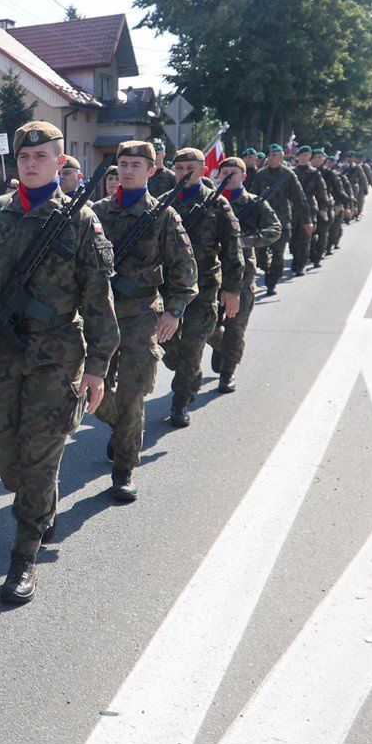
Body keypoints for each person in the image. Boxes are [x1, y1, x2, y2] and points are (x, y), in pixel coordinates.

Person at [0, 122, 117, 603]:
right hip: (0, 353)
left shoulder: (80, 219)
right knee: (5, 452)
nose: (31, 164)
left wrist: (97, 366)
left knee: (42, 453)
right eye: (25, 157)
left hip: (56, 355)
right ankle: (37, 506)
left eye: (42, 157)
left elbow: (98, 299)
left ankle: (23, 554)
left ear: (60, 161)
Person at [90, 141, 195, 502]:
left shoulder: (164, 215)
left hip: (140, 315)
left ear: (152, 171)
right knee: (88, 389)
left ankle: (124, 467)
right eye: (123, 164)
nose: (129, 170)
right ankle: (122, 426)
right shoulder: (97, 212)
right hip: (99, 315)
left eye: (137, 164)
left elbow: (183, 267)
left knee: (134, 395)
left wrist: (174, 310)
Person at [160, 148, 243, 428]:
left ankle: (180, 402)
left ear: (202, 170)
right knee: (169, 348)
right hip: (168, 287)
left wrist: (233, 288)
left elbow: (233, 247)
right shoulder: (162, 204)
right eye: (179, 168)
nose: (184, 173)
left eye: (190, 168)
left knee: (192, 344)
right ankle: (216, 342)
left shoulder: (216, 203)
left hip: (204, 285)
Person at [208, 156, 281, 394]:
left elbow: (275, 230)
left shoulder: (253, 203)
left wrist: (246, 240)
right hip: (211, 272)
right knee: (206, 325)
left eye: (234, 172)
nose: (228, 177)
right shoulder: (211, 202)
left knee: (235, 327)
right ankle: (222, 348)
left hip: (242, 274)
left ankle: (227, 374)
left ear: (243, 176)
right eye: (224, 172)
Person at [246, 144, 310, 295]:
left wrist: (307, 220)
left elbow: (300, 199)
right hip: (262, 221)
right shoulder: (261, 175)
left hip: (281, 220)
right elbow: (251, 196)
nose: (271, 157)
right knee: (260, 254)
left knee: (278, 253)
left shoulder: (288, 175)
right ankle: (266, 270)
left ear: (281, 157)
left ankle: (272, 282)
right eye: (270, 155)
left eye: (275, 155)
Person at [292, 146, 331, 273]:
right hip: (293, 208)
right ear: (298, 156)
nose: (303, 157)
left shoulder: (315, 173)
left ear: (309, 156)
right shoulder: (291, 172)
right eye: (301, 155)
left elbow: (322, 191)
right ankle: (296, 258)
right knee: (292, 239)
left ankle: (301, 265)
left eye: (306, 155)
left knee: (305, 236)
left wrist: (324, 209)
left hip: (309, 208)